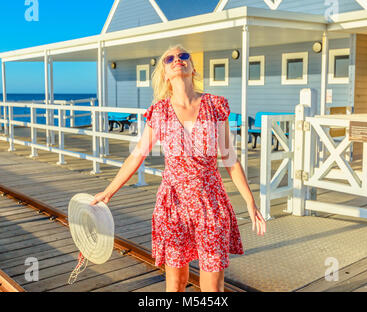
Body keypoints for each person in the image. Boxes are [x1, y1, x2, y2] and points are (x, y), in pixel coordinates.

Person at [90, 45, 266, 292]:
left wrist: (250, 201)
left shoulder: (215, 106)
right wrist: (108, 192)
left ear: (193, 68)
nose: (177, 60)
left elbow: (230, 159)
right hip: (173, 203)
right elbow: (137, 156)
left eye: (183, 56)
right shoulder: (160, 111)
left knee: (213, 287)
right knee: (176, 283)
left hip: (210, 201)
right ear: (164, 73)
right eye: (169, 58)